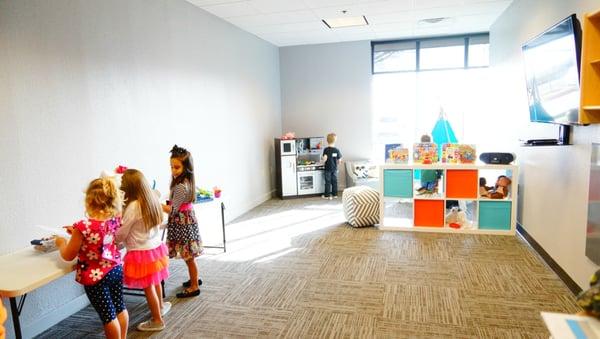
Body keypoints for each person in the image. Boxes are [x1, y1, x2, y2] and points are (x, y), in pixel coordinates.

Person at [55, 176, 129, 339]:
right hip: (115, 269)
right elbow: (98, 235)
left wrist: (61, 243)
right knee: (120, 307)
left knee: (108, 317)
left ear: (88, 201)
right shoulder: (114, 219)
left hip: (97, 278)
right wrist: (75, 231)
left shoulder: (83, 227)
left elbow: (68, 255)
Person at [116, 169, 170, 331]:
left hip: (141, 252)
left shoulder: (133, 206)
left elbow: (123, 231)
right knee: (155, 281)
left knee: (148, 287)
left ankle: (157, 320)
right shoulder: (151, 199)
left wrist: (115, 239)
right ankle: (160, 307)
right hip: (154, 248)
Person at [162, 145, 203, 298]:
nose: (173, 170)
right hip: (186, 219)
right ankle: (194, 279)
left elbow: (173, 210)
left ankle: (194, 286)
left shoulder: (180, 186)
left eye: (177, 167)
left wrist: (157, 205)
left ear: (186, 167)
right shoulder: (187, 181)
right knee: (189, 256)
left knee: (189, 257)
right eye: (171, 167)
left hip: (183, 223)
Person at [321, 133, 343, 200]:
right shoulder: (337, 150)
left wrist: (322, 160)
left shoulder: (326, 150)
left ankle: (327, 195)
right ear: (335, 140)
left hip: (327, 169)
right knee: (334, 182)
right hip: (334, 169)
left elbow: (324, 159)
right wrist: (337, 163)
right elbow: (339, 160)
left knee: (328, 182)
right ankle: (335, 195)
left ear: (327, 140)